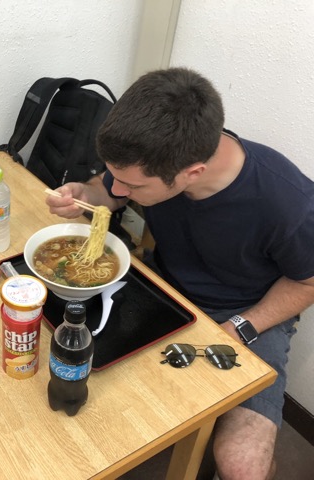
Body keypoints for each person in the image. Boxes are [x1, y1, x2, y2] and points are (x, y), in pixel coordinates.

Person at [46, 67, 314, 480]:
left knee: (242, 466)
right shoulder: (154, 155)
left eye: (132, 186)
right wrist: (89, 193)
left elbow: (307, 281)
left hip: (250, 312)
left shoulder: (287, 203)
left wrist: (240, 326)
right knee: (76, 372)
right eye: (113, 175)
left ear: (193, 174)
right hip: (163, 286)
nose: (119, 191)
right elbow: (110, 189)